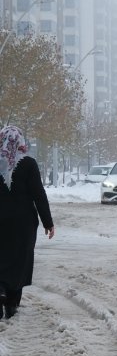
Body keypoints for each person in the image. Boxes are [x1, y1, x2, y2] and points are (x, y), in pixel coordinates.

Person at [0, 126, 54, 320]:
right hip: (23, 222)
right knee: (21, 259)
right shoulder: (28, 163)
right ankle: (12, 303)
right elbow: (38, 194)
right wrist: (48, 222)